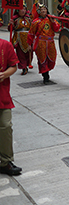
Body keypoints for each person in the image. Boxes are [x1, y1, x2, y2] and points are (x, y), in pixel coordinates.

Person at [0, 38, 22, 176]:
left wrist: (5, 74)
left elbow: (13, 66)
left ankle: (5, 162)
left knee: (5, 126)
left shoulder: (5, 45)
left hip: (2, 96)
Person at [28, 3, 60, 84]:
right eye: (41, 10)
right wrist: (29, 44)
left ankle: (47, 73)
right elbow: (31, 33)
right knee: (42, 60)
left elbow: (56, 29)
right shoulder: (36, 22)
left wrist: (53, 22)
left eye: (44, 9)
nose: (43, 11)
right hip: (41, 43)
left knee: (51, 59)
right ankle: (45, 77)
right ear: (38, 11)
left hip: (50, 43)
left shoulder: (51, 19)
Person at [8, 2, 32, 75]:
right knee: (20, 54)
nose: (23, 10)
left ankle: (27, 64)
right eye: (21, 9)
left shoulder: (29, 18)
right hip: (19, 38)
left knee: (29, 53)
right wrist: (11, 24)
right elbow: (10, 29)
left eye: (24, 9)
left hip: (28, 37)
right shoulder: (14, 19)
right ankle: (23, 67)